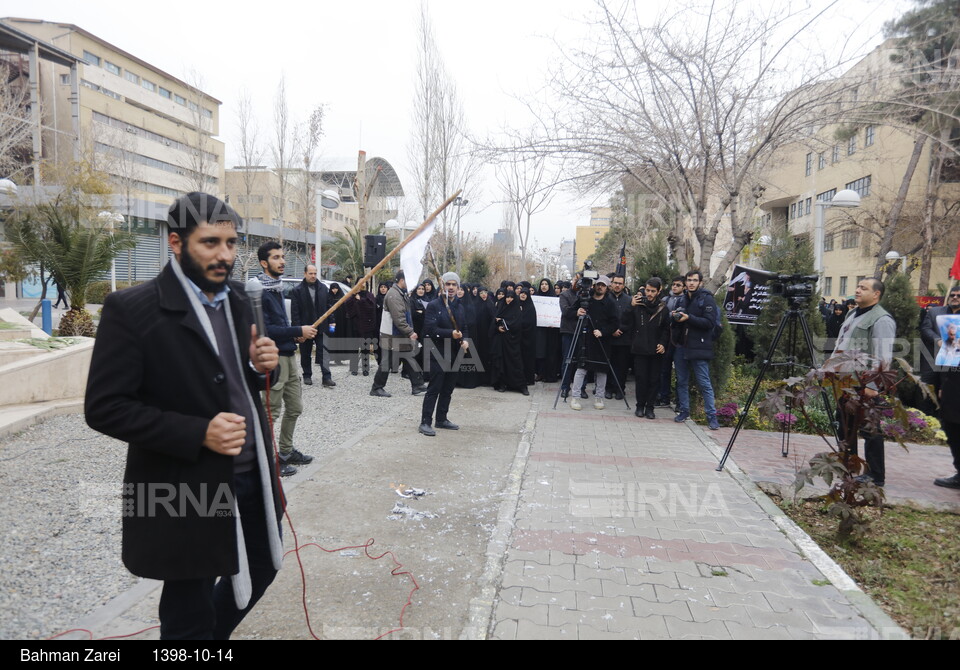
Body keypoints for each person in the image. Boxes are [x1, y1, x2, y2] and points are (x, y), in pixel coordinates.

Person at [84, 192, 285, 639]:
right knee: (189, 602)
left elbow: (224, 379)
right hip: (186, 485)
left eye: (232, 243)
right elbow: (104, 408)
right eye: (210, 243)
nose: (225, 255)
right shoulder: (133, 310)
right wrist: (198, 433)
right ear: (175, 243)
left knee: (262, 570)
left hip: (252, 476)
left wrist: (255, 366)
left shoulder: (236, 301)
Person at [829, 278, 896, 487]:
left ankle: (876, 476)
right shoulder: (852, 313)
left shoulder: (882, 319)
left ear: (876, 294)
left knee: (870, 429)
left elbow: (883, 356)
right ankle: (849, 468)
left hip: (864, 385)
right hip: (845, 382)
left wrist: (873, 386)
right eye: (858, 287)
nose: (857, 290)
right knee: (845, 428)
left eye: (863, 288)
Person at [257, 242, 316, 476]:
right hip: (273, 359)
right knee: (271, 411)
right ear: (264, 263)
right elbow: (267, 330)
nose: (282, 261)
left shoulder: (277, 287)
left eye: (282, 257)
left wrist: (295, 338)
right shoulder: (258, 291)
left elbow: (281, 325)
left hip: (289, 355)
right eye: (275, 258)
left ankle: (285, 451)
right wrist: (297, 330)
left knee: (295, 407)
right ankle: (268, 461)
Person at [419, 272, 470, 436]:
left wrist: (466, 340)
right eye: (448, 284)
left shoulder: (460, 307)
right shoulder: (434, 305)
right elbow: (430, 330)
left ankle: (441, 418)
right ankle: (425, 422)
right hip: (438, 351)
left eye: (454, 284)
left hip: (454, 352)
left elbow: (464, 327)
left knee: (448, 388)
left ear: (458, 287)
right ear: (443, 286)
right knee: (435, 388)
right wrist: (450, 333)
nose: (451, 287)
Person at [672, 270, 720, 430]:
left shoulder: (706, 299)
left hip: (699, 346)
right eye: (689, 280)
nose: (691, 283)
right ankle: (684, 411)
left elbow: (709, 322)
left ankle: (712, 417)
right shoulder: (683, 299)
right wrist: (675, 315)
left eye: (694, 280)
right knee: (681, 381)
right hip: (681, 346)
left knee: (704, 383)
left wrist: (689, 318)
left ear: (700, 283)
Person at [563, 276, 617, 410]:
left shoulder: (610, 303)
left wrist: (603, 332)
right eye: (598, 285)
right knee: (581, 368)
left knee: (602, 370)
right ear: (594, 285)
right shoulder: (585, 299)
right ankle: (575, 398)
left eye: (603, 285)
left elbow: (615, 323)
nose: (600, 287)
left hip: (601, 340)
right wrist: (577, 312)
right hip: (585, 339)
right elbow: (568, 312)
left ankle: (599, 398)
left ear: (607, 287)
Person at [371, 270, 427, 397]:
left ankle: (417, 385)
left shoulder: (401, 293)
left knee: (408, 357)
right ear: (402, 280)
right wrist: (410, 331)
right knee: (387, 361)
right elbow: (399, 319)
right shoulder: (394, 295)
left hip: (398, 334)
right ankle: (376, 387)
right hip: (391, 335)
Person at [622, 278, 670, 419]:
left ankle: (650, 407)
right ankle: (640, 406)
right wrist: (630, 306)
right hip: (640, 348)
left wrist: (663, 343)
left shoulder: (663, 308)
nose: (649, 294)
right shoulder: (637, 305)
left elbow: (666, 329)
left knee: (654, 379)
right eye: (647, 290)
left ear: (659, 291)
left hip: (655, 350)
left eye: (652, 291)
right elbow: (625, 322)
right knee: (641, 378)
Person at [290, 265, 335, 387]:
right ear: (305, 274)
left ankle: (326, 377)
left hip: (321, 327)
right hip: (305, 327)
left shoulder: (323, 288)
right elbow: (295, 313)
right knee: (305, 353)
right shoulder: (297, 291)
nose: (313, 276)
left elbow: (329, 306)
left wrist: (332, 321)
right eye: (310, 273)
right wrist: (298, 330)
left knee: (323, 352)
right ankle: (307, 375)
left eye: (315, 273)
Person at [490, 290, 529, 395]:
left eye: (511, 297)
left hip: (513, 341)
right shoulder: (501, 307)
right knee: (502, 362)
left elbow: (518, 324)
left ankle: (521, 386)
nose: (509, 299)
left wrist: (506, 324)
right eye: (507, 297)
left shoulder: (517, 309)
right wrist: (498, 327)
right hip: (502, 341)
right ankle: (502, 384)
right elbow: (493, 323)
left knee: (515, 363)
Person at [657, 277, 686, 407]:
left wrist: (674, 315)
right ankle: (664, 397)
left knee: (680, 373)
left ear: (683, 287)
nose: (675, 287)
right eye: (673, 284)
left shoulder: (686, 300)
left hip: (680, 340)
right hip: (666, 339)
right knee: (664, 370)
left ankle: (680, 402)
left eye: (678, 285)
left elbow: (680, 316)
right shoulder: (665, 299)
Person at [605, 273, 632, 400]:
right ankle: (608, 388)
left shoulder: (629, 300)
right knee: (608, 365)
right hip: (608, 338)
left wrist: (620, 329)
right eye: (615, 283)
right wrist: (612, 330)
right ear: (611, 284)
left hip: (624, 339)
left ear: (623, 285)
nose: (617, 285)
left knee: (622, 366)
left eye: (620, 283)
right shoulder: (605, 298)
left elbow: (631, 319)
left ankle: (620, 389)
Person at [345, 286, 378, 376]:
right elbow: (348, 306)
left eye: (363, 282)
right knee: (354, 348)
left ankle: (365, 368)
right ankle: (354, 368)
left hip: (366, 326)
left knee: (365, 348)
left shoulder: (369, 295)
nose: (362, 285)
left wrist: (360, 301)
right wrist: (354, 296)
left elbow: (371, 308)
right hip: (355, 326)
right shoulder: (352, 296)